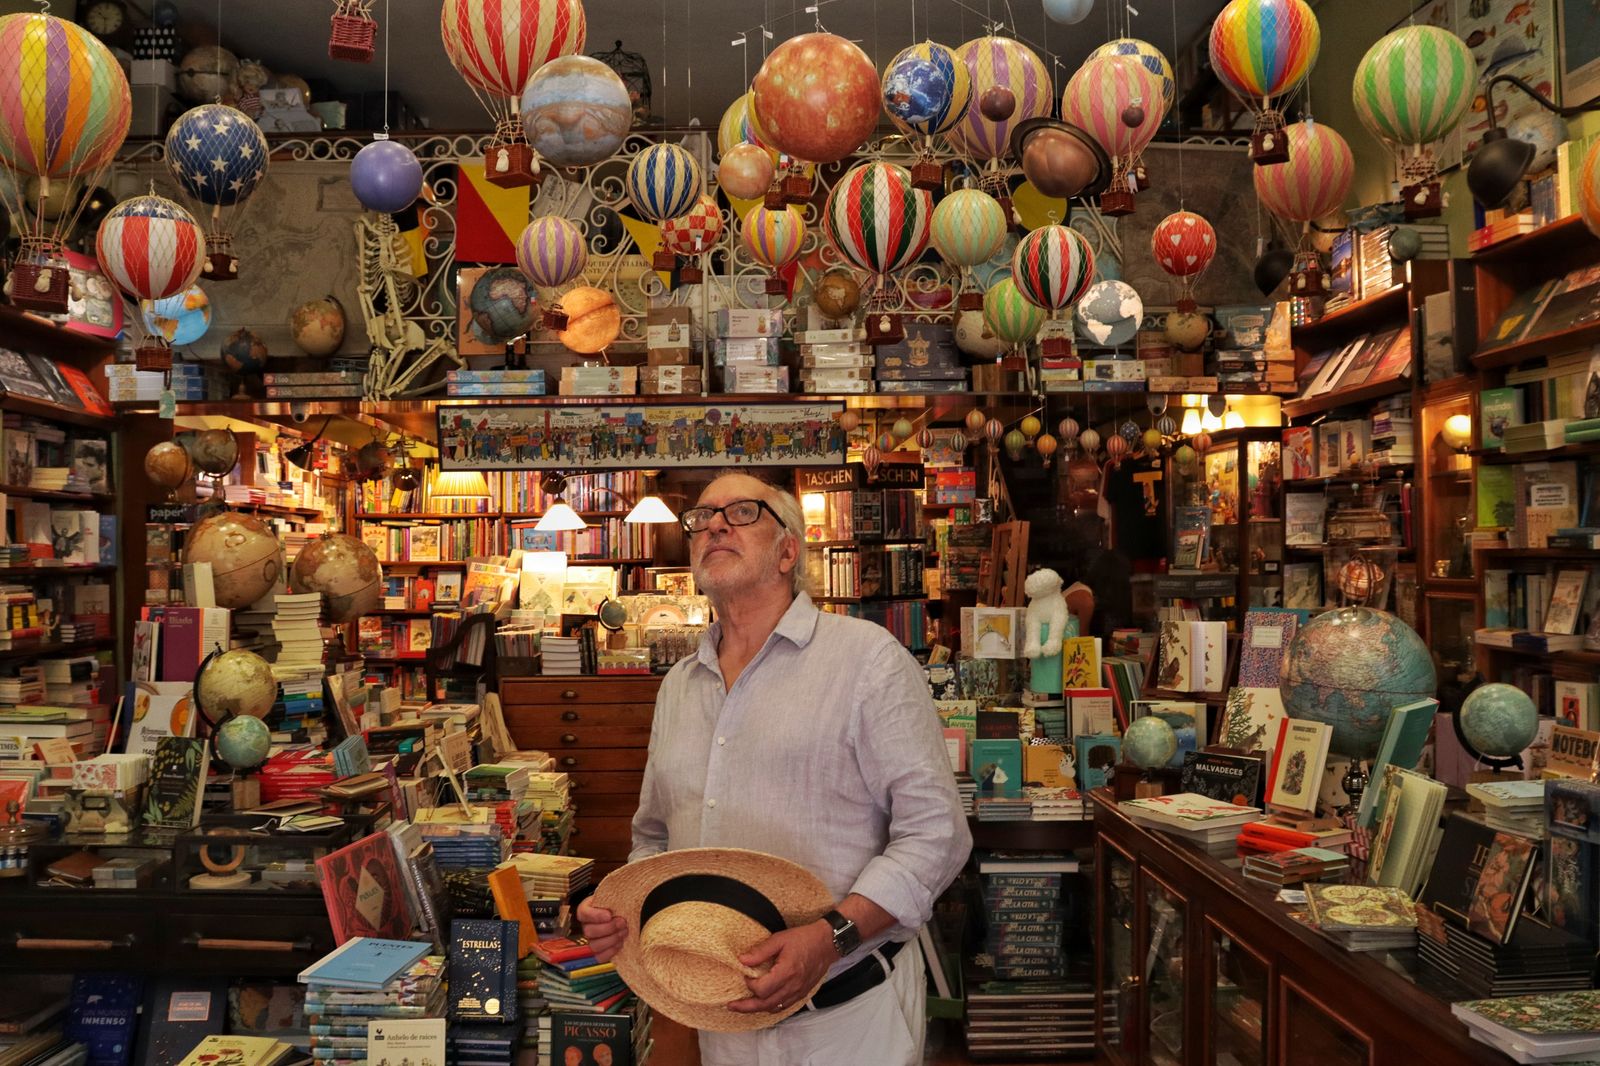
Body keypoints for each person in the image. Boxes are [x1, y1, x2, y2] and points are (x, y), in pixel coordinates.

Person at [576, 472, 971, 1065]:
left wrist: (830, 938)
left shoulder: (866, 661)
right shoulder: (680, 687)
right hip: (721, 1017)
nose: (712, 525)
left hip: (847, 1019)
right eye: (702, 518)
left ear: (789, 550)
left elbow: (937, 834)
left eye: (740, 513)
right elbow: (656, 841)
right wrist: (628, 912)